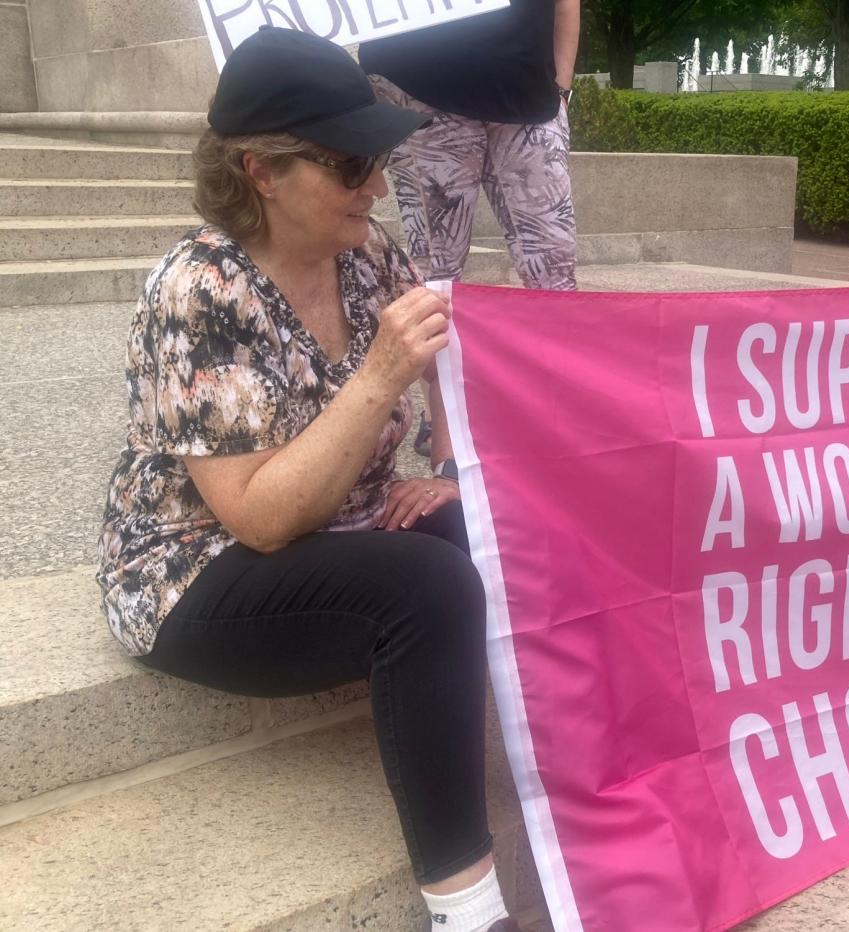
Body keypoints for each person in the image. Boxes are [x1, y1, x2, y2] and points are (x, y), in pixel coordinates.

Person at [96, 28, 515, 932]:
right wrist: (377, 379)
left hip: (336, 528)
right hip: (194, 570)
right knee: (430, 588)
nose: (376, 185)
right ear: (261, 172)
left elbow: (451, 365)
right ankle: (468, 909)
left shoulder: (368, 256)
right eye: (350, 162)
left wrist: (449, 471)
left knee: (489, 531)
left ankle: (557, 770)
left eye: (378, 158)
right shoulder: (197, 291)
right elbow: (258, 519)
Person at [359, 0, 581, 292]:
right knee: (435, 270)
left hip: (529, 90)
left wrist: (563, 87)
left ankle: (558, 336)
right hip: (419, 83)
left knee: (556, 268)